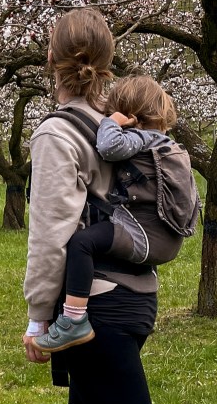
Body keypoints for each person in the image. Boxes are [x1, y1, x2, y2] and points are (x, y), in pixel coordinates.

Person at [22, 7, 203, 404]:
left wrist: (41, 318)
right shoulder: (112, 126)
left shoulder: (59, 133)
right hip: (131, 299)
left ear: (53, 61)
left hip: (93, 306)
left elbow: (52, 236)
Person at [35, 74, 191, 353]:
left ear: (131, 115)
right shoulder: (167, 144)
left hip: (143, 236)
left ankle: (73, 319)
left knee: (82, 243)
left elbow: (108, 146)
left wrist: (112, 123)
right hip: (165, 240)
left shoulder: (141, 138)